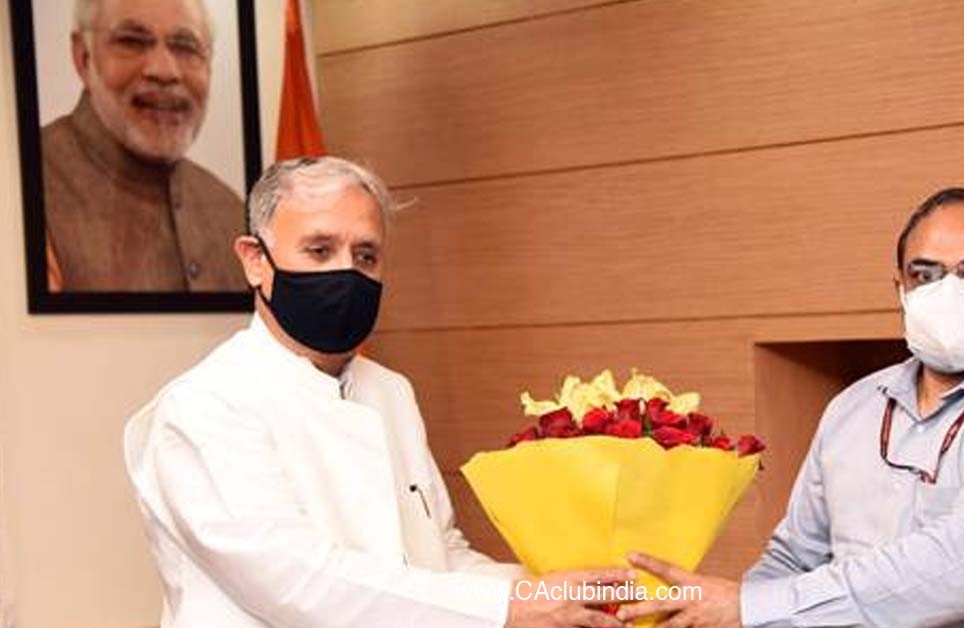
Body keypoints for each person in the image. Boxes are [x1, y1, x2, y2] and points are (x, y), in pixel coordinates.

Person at [124, 157, 631, 628]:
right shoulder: (205, 405)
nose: (346, 272)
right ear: (255, 260)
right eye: (319, 250)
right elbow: (299, 582)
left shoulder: (389, 391)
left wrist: (568, 591)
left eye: (365, 255)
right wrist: (508, 608)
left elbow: (438, 553)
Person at [619, 188, 964, 627]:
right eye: (925, 274)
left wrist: (750, 609)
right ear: (900, 290)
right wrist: (720, 612)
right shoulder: (853, 407)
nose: (948, 292)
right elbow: (794, 559)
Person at [39, 0, 244, 292]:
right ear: (83, 57)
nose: (164, 71)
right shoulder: (20, 190)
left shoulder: (231, 212)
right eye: (132, 42)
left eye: (186, 47)